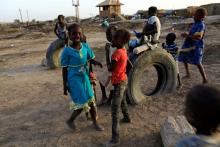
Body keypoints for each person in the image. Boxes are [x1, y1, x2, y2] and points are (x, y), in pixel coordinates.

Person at [60, 23, 104, 132]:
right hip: (74, 80)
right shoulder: (66, 51)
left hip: (85, 77)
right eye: (74, 34)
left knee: (91, 100)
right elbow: (64, 69)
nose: (77, 36)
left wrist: (96, 62)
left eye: (79, 33)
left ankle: (95, 122)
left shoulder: (85, 46)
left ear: (82, 34)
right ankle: (70, 121)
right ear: (69, 35)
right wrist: (65, 85)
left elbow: (90, 58)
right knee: (82, 103)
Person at [105, 29, 131, 147]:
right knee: (123, 101)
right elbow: (128, 64)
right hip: (123, 80)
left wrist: (107, 54)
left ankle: (115, 139)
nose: (112, 39)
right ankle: (127, 118)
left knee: (115, 110)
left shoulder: (116, 53)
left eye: (115, 38)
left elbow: (110, 68)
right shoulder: (124, 50)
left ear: (121, 41)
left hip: (119, 82)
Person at [178, 8, 208, 83]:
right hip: (188, 44)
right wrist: (186, 34)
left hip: (196, 46)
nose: (193, 17)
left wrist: (187, 36)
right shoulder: (195, 24)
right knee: (184, 57)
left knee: (198, 62)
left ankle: (204, 79)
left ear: (201, 17)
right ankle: (188, 73)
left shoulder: (201, 25)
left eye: (195, 16)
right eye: (194, 15)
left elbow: (198, 37)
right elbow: (192, 33)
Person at [98, 25, 118, 106]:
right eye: (107, 35)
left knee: (112, 87)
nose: (108, 37)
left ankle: (109, 100)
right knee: (101, 80)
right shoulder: (110, 45)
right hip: (110, 68)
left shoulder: (118, 47)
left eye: (110, 35)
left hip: (114, 70)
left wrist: (107, 51)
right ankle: (104, 97)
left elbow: (110, 66)